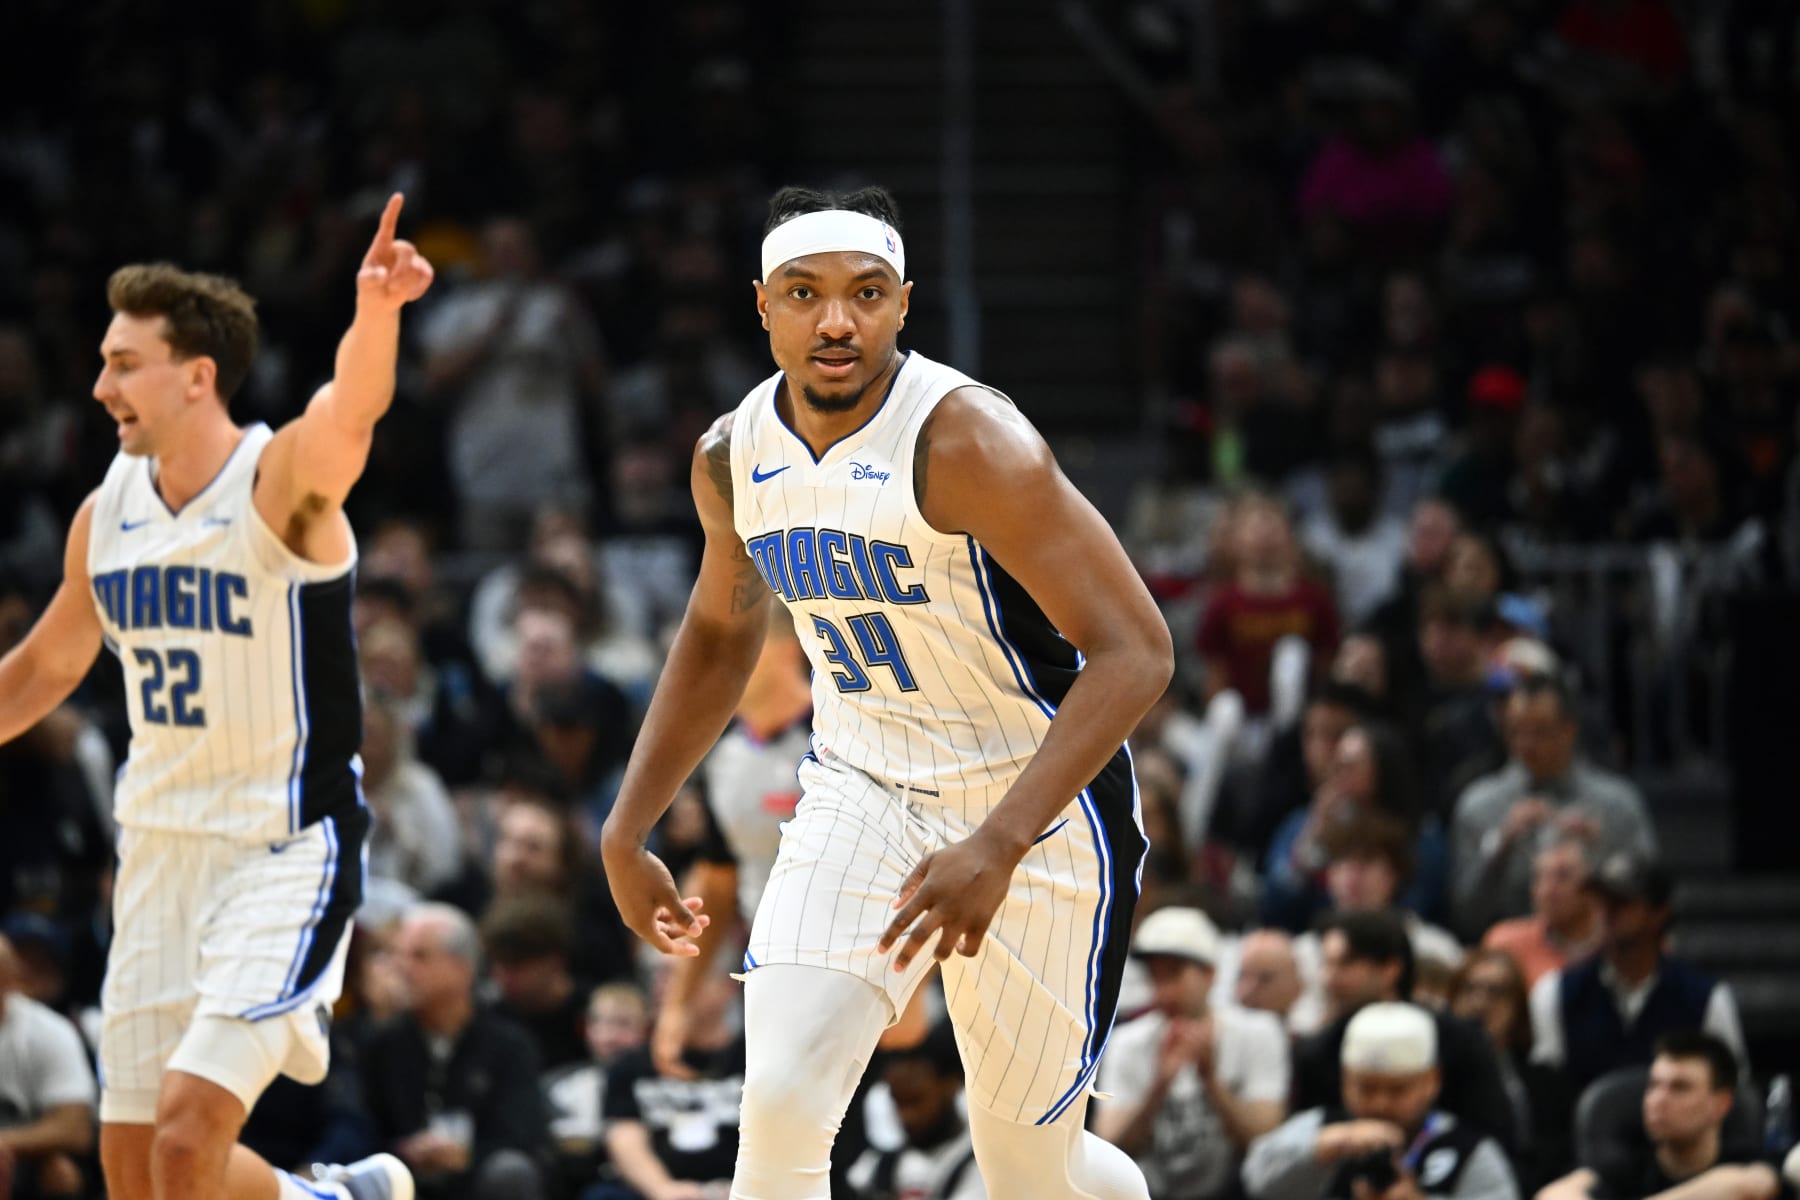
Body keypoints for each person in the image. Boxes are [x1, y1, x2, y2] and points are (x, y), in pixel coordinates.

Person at [599, 184, 1173, 1200]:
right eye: (804, 293)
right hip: (862, 786)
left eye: (865, 293)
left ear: (902, 305)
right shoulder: (732, 457)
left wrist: (998, 842)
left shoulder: (969, 445)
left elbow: (1136, 651)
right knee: (774, 1103)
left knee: (1033, 1175)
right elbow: (723, 632)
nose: (835, 320)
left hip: (1032, 808)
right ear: (762, 305)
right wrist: (626, 826)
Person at [0, 197, 433, 1200]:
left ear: (197, 377)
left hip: (279, 848)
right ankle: (325, 1199)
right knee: (139, 1171)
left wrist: (376, 315)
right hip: (157, 852)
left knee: (190, 1138)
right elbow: (41, 670)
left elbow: (352, 412)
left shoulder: (278, 482)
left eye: (124, 362)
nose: (102, 383)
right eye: (103, 360)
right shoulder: (104, 513)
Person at [652, 610, 811, 1078]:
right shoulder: (719, 753)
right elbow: (719, 884)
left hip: (862, 961)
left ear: (787, 649)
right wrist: (677, 1006)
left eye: (733, 654)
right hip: (771, 970)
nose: (717, 668)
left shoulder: (839, 732)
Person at [1095, 907, 1290, 1200]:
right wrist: (1159, 1085)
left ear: (1210, 973)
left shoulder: (1258, 1033)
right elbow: (1109, 1146)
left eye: (1174, 974)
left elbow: (1265, 1141)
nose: (1163, 992)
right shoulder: (1129, 1041)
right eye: (1155, 977)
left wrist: (1211, 1079)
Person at [364, 904, 550, 1200]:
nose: (401, 967)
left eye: (419, 956)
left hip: (474, 1181)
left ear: (462, 967)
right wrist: (404, 1151)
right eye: (398, 954)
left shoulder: (509, 1044)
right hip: (401, 1178)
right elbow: (356, 1128)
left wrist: (465, 1155)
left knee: (511, 1171)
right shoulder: (379, 1043)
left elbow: (523, 1136)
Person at [1292, 910, 1517, 1152]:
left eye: (1345, 964)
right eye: (1327, 964)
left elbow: (1495, 1139)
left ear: (1390, 969)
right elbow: (1304, 1142)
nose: (1329, 979)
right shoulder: (1316, 1052)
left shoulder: (1460, 1042)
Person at [1243, 1003, 1518, 1200]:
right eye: (1366, 1088)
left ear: (1431, 1081)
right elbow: (1254, 1180)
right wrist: (1321, 1149)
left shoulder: (1469, 1151)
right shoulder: (1322, 1128)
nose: (1380, 1103)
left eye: (1397, 1090)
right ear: (1345, 1079)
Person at [1450, 676, 1656, 940]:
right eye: (1515, 731)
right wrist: (1501, 845)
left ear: (1569, 730)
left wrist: (1600, 853)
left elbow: (1648, 896)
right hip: (1507, 956)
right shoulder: (1479, 805)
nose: (1526, 744)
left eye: (1539, 731)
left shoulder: (1617, 805)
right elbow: (1463, 912)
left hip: (1599, 950)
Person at [1528, 853, 1746, 1092]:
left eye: (1622, 902)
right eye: (1602, 901)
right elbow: (1546, 1097)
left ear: (1659, 913)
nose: (1608, 912)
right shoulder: (1554, 994)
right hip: (1581, 1128)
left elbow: (1731, 1091)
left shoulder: (1707, 998)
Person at [1536, 1033, 1784, 1200]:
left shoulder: (1745, 1158)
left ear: (1720, 1104)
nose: (1658, 1100)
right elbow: (1554, 1194)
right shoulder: (1627, 1164)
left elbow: (1748, 1186)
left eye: (1680, 1087)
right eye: (1654, 1085)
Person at [0, 935, 96, 1199]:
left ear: (10, 981)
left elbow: (76, 1129)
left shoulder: (47, 1031)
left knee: (61, 1171)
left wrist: (5, 1143)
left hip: (26, 1161)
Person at [846, 1020, 987, 1200]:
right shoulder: (873, 1168)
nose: (906, 1116)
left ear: (950, 1086)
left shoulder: (981, 1166)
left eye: (915, 1100)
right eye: (898, 1102)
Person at [1482, 837, 1601, 988]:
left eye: (1563, 876)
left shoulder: (1615, 949)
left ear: (1593, 888)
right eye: (1540, 877)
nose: (1548, 890)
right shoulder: (1506, 944)